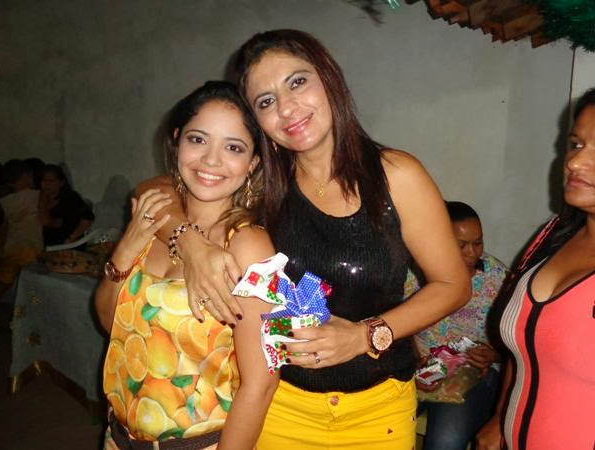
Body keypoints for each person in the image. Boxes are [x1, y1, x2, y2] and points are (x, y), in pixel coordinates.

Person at [144, 29, 470, 449]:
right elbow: (155, 190)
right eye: (266, 101)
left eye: (297, 82)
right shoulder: (261, 185)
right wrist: (189, 243)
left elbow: (453, 284)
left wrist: (364, 335)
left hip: (378, 408)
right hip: (277, 405)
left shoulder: (396, 176)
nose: (287, 108)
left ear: (329, 79)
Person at [95, 81, 279, 450]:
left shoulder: (251, 247)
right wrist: (125, 252)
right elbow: (110, 323)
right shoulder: (155, 220)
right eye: (198, 140)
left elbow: (262, 383)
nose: (211, 160)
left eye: (233, 147)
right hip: (119, 437)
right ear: (177, 141)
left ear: (253, 163)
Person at [476, 87, 595, 450]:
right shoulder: (551, 236)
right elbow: (528, 343)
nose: (574, 162)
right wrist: (500, 416)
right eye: (576, 144)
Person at [408, 201, 508, 450]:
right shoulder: (413, 273)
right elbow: (396, 326)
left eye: (478, 243)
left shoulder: (497, 278)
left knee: (445, 442)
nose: (472, 253)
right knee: (381, 429)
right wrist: (414, 361)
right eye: (461, 245)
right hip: (416, 370)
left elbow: (518, 341)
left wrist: (493, 355)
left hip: (471, 375)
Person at [0, 160, 42, 301]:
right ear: (29, 176)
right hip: (30, 247)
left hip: (10, 248)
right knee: (34, 284)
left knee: (4, 282)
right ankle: (33, 308)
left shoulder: (3, 202)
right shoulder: (37, 196)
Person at [39, 164, 94, 246]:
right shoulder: (36, 197)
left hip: (67, 247)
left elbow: (87, 218)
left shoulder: (71, 198)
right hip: (43, 247)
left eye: (51, 181)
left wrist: (71, 238)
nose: (47, 184)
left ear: (61, 183)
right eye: (44, 181)